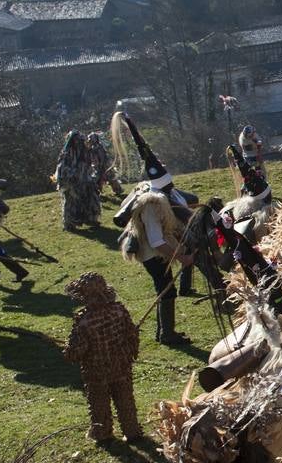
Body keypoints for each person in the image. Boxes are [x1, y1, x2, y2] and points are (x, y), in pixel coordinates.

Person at [111, 111, 194, 345]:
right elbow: (157, 241)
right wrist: (181, 257)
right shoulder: (151, 203)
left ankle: (164, 333)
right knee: (166, 289)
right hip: (151, 252)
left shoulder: (165, 192)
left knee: (166, 289)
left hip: (160, 247)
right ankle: (167, 334)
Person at [63, 272, 142, 444]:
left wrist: (68, 350)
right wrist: (130, 353)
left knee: (99, 404)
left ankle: (103, 433)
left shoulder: (85, 321)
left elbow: (77, 352)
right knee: (125, 400)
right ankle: (132, 431)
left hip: (96, 371)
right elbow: (131, 334)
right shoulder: (119, 311)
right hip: (121, 365)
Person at [54, 130, 101, 230]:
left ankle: (91, 219)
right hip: (71, 181)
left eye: (79, 140)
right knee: (71, 202)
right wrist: (72, 176)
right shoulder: (66, 153)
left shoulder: (85, 152)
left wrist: (89, 175)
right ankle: (70, 224)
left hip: (85, 179)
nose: (78, 142)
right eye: (76, 140)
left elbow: (90, 164)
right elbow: (62, 168)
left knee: (91, 198)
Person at [85, 131, 127, 201]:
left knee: (110, 178)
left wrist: (101, 167)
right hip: (98, 166)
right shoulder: (94, 148)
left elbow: (101, 158)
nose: (89, 140)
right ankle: (97, 193)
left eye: (91, 139)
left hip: (104, 166)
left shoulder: (97, 147)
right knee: (97, 180)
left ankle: (118, 191)